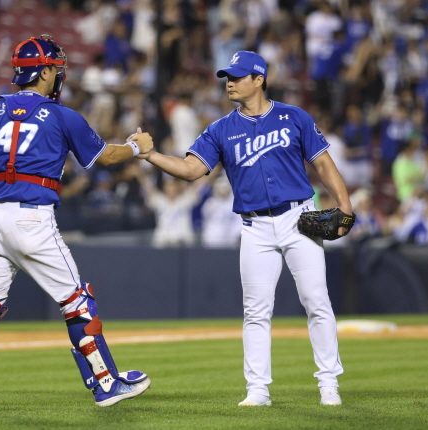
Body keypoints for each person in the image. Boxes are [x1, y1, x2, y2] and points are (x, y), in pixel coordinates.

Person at [0, 35, 153, 410]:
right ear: (46, 71)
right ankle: (106, 384)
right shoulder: (62, 115)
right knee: (78, 303)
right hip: (33, 219)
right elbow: (106, 156)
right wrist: (137, 147)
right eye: (56, 68)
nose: (59, 75)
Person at [137, 51, 352, 407]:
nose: (230, 82)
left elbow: (323, 163)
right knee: (255, 311)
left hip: (299, 218)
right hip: (254, 227)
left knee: (316, 300)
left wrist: (345, 204)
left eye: (237, 76)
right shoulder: (220, 129)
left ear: (259, 79)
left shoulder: (293, 117)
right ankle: (257, 390)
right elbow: (191, 170)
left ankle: (329, 384)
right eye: (227, 77)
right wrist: (151, 156)